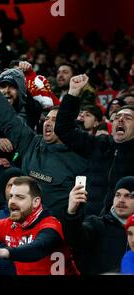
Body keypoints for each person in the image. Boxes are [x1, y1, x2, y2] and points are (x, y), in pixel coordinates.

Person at [0, 55, 87, 220]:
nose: (48, 123)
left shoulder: (80, 160)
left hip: (56, 229)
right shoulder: (31, 143)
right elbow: (7, 117)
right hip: (20, 224)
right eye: (46, 119)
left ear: (67, 127)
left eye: (55, 120)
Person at [55, 74, 134, 215]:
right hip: (89, 221)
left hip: (122, 227)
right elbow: (63, 129)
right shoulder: (99, 143)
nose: (120, 120)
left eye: (128, 118)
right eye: (117, 117)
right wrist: (72, 93)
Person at [61, 176, 134, 274]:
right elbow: (74, 238)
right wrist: (72, 212)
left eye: (129, 196)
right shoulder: (97, 224)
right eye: (117, 195)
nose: (121, 200)